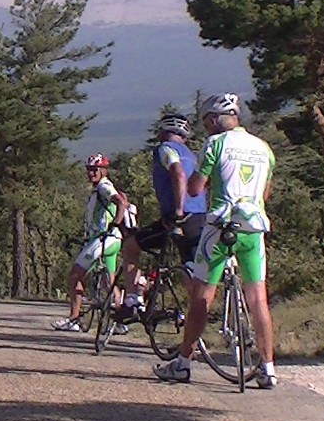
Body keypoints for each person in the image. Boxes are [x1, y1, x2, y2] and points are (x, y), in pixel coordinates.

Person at [155, 92, 280, 388]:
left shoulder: (215, 143)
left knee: (202, 295)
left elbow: (196, 189)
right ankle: (268, 368)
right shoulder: (264, 148)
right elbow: (265, 193)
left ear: (213, 120)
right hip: (253, 228)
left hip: (221, 226)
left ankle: (183, 364)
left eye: (206, 122)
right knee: (258, 298)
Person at [115, 113, 209, 322]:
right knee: (190, 267)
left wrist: (177, 210)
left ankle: (132, 301)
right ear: (184, 136)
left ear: (162, 132)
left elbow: (177, 173)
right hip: (200, 216)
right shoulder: (192, 156)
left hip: (177, 217)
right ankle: (199, 315)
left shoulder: (165, 149)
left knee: (131, 246)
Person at [51, 155, 129, 331]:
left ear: (103, 171)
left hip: (104, 239)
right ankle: (119, 323)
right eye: (89, 169)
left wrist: (115, 223)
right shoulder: (99, 188)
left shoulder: (104, 186)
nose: (91, 173)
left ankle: (74, 319)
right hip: (113, 240)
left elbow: (121, 202)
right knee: (109, 283)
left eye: (95, 170)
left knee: (74, 276)